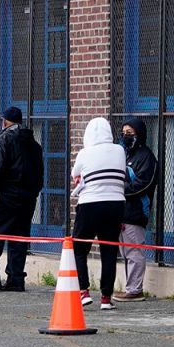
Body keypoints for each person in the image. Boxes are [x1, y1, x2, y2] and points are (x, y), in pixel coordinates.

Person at [0, 107, 44, 293]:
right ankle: (15, 279)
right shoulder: (34, 144)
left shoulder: (3, 140)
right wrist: (33, 192)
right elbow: (40, 173)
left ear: (5, 122)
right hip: (27, 199)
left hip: (4, 197)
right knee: (19, 239)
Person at [71, 117, 127, 310]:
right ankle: (106, 298)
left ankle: (83, 292)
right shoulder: (120, 150)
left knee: (79, 248)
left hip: (90, 204)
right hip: (116, 204)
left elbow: (75, 176)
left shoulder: (84, 153)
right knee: (109, 251)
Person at [114, 118, 156, 302]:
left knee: (134, 252)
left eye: (130, 133)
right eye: (123, 133)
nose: (125, 136)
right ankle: (131, 286)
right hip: (120, 211)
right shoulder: (122, 154)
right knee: (125, 252)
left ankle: (135, 289)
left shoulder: (146, 157)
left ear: (139, 134)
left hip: (136, 212)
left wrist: (118, 188)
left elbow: (142, 184)